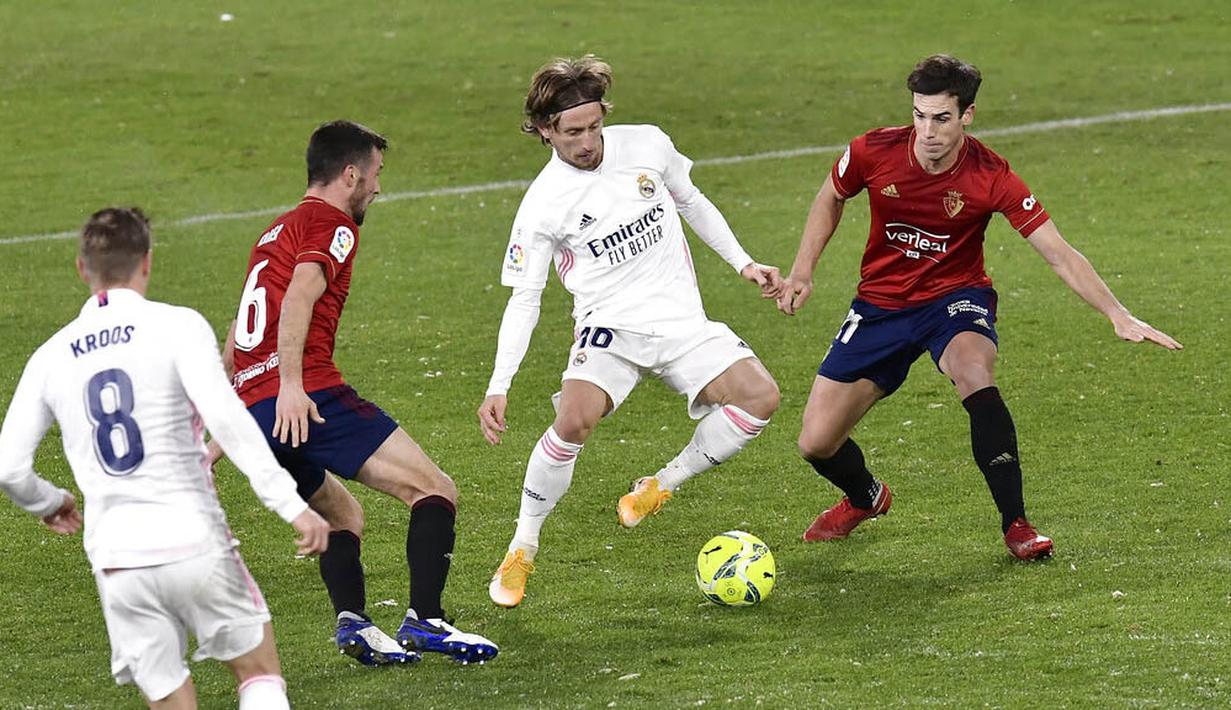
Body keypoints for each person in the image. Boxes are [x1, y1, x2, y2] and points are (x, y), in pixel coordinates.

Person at [775, 54, 1182, 560]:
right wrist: (802, 270)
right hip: (881, 304)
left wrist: (1117, 313)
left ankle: (1017, 525)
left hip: (954, 297)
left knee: (973, 369)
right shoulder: (872, 150)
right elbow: (830, 196)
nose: (927, 131)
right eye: (919, 115)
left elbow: (1058, 252)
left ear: (967, 115)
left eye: (941, 118)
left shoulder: (991, 176)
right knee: (815, 443)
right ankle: (866, 496)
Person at [479, 56, 782, 608]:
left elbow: (691, 200)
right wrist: (499, 384)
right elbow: (526, 298)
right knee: (572, 420)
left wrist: (743, 263)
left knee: (760, 397)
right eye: (573, 132)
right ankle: (523, 546)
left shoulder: (646, 144)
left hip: (681, 323)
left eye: (595, 126)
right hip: (608, 329)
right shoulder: (542, 206)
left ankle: (660, 484)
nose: (589, 141)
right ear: (545, 130)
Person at [0, 207, 331, 709]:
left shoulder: (49, 356)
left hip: (117, 561)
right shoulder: (178, 327)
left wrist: (51, 502)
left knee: (169, 698)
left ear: (80, 268)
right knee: (258, 672)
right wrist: (292, 505)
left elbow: (9, 467)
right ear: (148, 262)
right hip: (194, 540)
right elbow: (228, 419)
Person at [220, 120, 496, 665]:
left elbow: (235, 339)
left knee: (340, 516)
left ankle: (354, 625)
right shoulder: (333, 224)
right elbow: (299, 297)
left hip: (252, 410)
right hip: (304, 397)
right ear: (350, 174)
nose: (378, 188)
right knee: (434, 489)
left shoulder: (275, 231)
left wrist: (220, 428)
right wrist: (295, 387)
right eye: (375, 175)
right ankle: (427, 620)